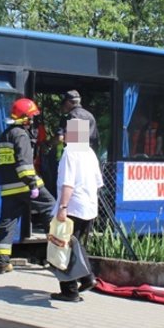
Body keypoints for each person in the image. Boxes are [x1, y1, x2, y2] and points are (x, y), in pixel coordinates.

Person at [0, 97, 56, 274]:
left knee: (7, 222)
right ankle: (56, 255)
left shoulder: (4, 135)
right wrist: (32, 184)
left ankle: (2, 263)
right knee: (50, 206)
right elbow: (24, 164)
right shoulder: (21, 135)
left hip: (9, 187)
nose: (33, 120)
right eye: (31, 116)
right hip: (25, 186)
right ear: (25, 117)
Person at [49, 118, 104, 302]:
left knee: (63, 246)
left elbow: (68, 184)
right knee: (76, 246)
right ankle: (86, 279)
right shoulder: (90, 153)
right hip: (89, 206)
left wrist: (63, 207)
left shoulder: (70, 153)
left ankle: (71, 290)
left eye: (66, 132)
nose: (63, 135)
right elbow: (98, 182)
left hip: (72, 206)